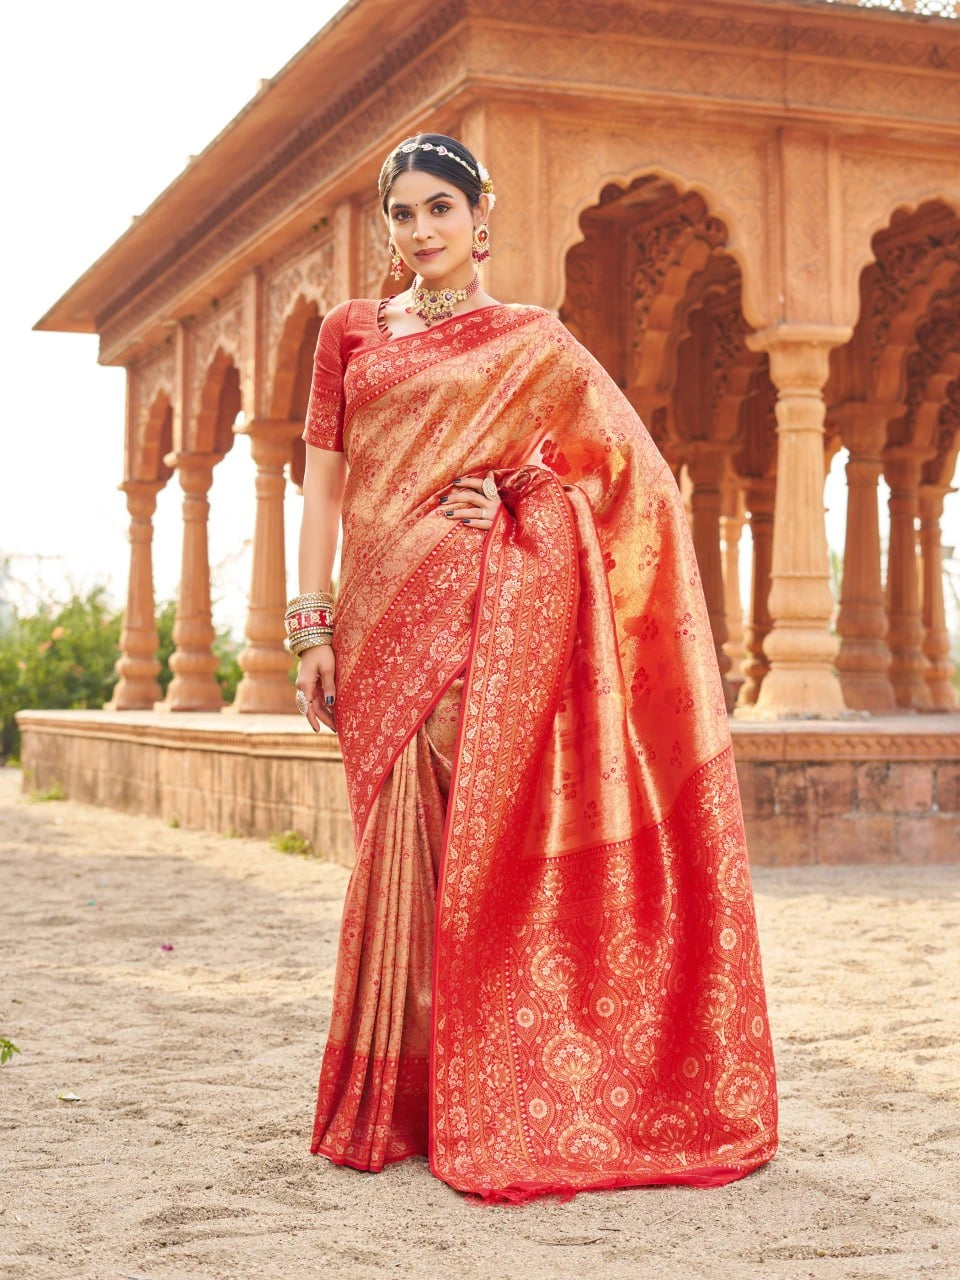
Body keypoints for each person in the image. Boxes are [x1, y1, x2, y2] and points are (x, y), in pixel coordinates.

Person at [290, 133, 779, 1205]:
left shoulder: (534, 340)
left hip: (478, 615)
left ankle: (469, 1094)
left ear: (480, 214)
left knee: (470, 846)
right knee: (394, 845)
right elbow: (322, 490)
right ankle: (395, 1098)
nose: (421, 230)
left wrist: (520, 493)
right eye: (403, 213)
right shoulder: (348, 333)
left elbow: (627, 477)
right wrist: (309, 622)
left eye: (439, 210)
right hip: (373, 624)